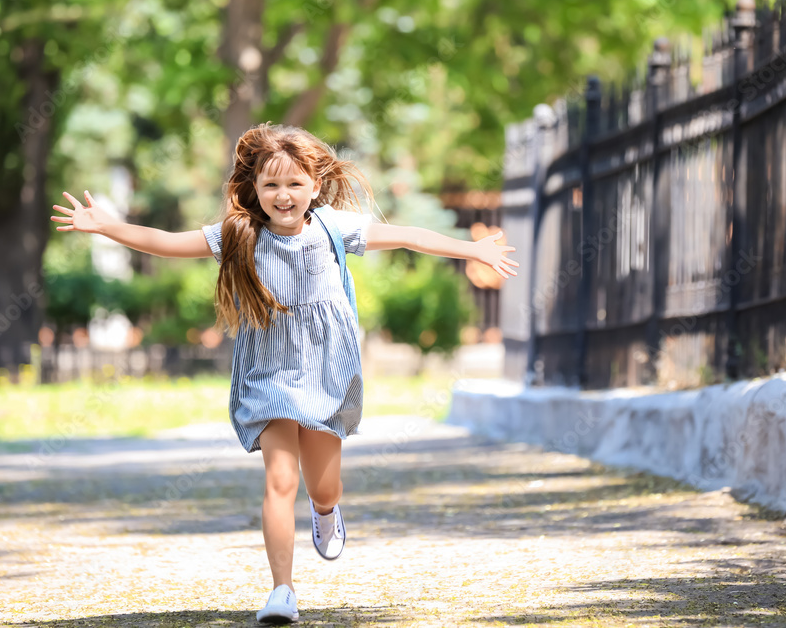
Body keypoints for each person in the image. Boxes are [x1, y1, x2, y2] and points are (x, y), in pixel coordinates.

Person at [49, 122, 520, 624]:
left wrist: (471, 249)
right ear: (254, 189)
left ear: (315, 186)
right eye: (271, 185)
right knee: (279, 480)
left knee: (324, 486)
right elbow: (165, 242)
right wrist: (104, 225)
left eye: (295, 183)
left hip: (325, 369)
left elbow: (407, 236)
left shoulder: (333, 228)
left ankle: (325, 512)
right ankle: (282, 591)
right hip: (267, 374)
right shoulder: (239, 234)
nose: (283, 195)